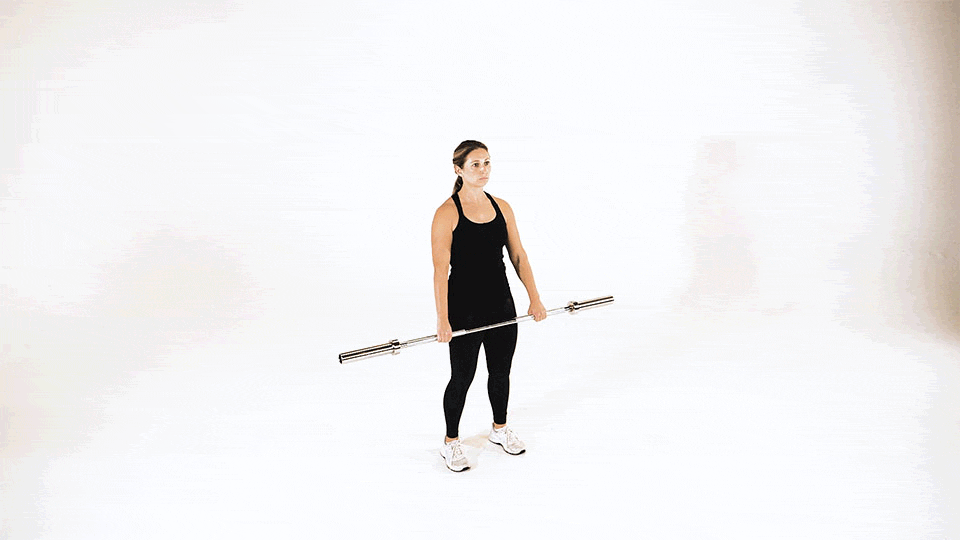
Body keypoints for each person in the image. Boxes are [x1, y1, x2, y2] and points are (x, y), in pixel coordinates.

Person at [430, 140, 547, 472]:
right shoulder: (446, 213)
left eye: (487, 163)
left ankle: (499, 428)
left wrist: (534, 298)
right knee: (462, 376)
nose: (483, 170)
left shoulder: (502, 207)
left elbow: (519, 256)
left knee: (500, 371)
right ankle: (450, 442)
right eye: (475, 165)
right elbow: (440, 272)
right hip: (464, 309)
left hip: (501, 304)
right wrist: (443, 320)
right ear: (458, 170)